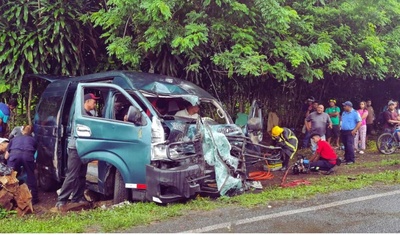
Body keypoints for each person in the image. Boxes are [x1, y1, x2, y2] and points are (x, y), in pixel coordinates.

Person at [54, 93, 99, 209]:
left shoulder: (90, 114)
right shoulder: (79, 115)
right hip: (75, 149)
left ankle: (77, 197)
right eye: (93, 101)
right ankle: (62, 200)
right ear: (87, 102)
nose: (95, 103)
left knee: (81, 176)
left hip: (85, 149)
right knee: (72, 175)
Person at [4, 125, 39, 204]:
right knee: (31, 176)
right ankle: (34, 199)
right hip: (28, 157)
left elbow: (6, 156)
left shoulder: (14, 139)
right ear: (31, 133)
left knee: (10, 177)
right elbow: (35, 154)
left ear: (22, 131)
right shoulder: (33, 140)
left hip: (14, 156)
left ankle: (10, 199)